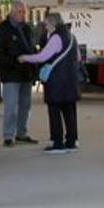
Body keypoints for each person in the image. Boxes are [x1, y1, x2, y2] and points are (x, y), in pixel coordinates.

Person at [19, 12, 81, 154]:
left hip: (57, 80)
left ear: (53, 24)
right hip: (70, 79)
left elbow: (42, 56)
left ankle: (57, 143)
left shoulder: (56, 38)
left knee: (54, 110)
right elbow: (77, 56)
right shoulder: (71, 36)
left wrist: (25, 58)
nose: (45, 27)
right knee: (69, 110)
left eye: (46, 24)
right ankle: (72, 141)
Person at [0, 0, 39, 147]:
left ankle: (21, 133)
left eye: (24, 12)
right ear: (12, 12)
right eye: (20, 12)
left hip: (26, 73)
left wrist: (33, 65)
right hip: (11, 73)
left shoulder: (26, 28)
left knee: (25, 105)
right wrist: (13, 62)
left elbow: (31, 47)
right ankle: (8, 135)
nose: (23, 14)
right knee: (11, 106)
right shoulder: (3, 28)